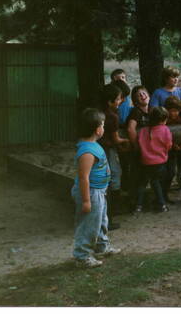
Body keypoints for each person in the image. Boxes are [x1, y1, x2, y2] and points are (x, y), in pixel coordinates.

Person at [72, 108, 120, 268]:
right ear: (98, 129)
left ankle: (101, 246)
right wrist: (86, 201)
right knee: (89, 224)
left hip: (99, 192)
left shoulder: (93, 145)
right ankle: (82, 255)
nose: (104, 128)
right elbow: (83, 178)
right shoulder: (86, 151)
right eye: (103, 125)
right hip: (91, 193)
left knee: (100, 220)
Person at [98, 84, 130, 230]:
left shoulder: (97, 113)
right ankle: (111, 214)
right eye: (117, 99)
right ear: (110, 102)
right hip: (107, 150)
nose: (120, 101)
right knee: (114, 178)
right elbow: (116, 139)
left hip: (96, 149)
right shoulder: (112, 116)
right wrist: (127, 141)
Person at [136, 107, 172, 213]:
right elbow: (168, 145)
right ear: (163, 120)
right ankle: (162, 204)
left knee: (142, 183)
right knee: (156, 182)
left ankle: (138, 206)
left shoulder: (143, 130)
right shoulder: (165, 130)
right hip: (159, 162)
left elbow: (139, 143)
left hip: (145, 161)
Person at [126, 86, 152, 209]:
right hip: (138, 150)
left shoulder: (152, 111)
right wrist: (136, 147)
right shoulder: (136, 112)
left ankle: (140, 201)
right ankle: (134, 201)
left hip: (149, 150)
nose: (142, 96)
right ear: (135, 101)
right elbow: (131, 129)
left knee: (146, 176)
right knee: (137, 175)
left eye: (144, 93)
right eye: (139, 95)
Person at [163, 95, 181, 198]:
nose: (174, 113)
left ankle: (180, 176)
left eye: (176, 110)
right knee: (170, 170)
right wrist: (173, 145)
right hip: (169, 148)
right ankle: (165, 191)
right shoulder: (164, 119)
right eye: (171, 110)